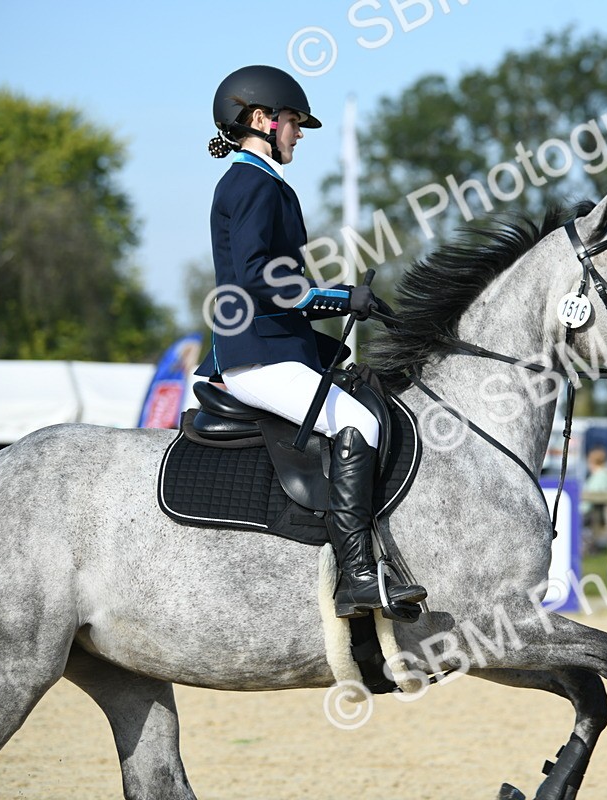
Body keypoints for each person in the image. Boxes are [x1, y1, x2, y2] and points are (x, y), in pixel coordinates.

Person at [196, 65, 425, 620]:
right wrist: (338, 298)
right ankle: (358, 578)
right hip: (257, 354)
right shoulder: (252, 183)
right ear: (260, 119)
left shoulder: (260, 182)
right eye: (294, 122)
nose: (299, 133)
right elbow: (255, 279)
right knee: (359, 423)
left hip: (274, 346)